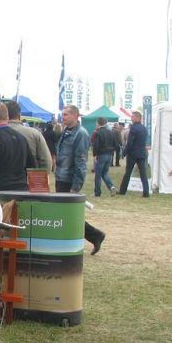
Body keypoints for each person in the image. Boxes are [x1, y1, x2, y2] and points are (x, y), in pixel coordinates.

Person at [56, 104, 105, 255]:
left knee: (67, 214)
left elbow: (81, 162)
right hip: (61, 176)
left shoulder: (81, 134)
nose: (63, 117)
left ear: (75, 116)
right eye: (62, 114)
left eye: (66, 115)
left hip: (69, 179)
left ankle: (95, 235)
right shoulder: (66, 131)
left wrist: (76, 186)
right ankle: (95, 235)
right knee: (63, 214)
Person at [0, 102, 35, 192]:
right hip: (22, 190)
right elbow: (32, 166)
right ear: (7, 117)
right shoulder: (21, 138)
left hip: (2, 191)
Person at [6, 100, 52, 171]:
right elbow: (46, 160)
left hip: (4, 179)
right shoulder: (34, 133)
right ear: (19, 115)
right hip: (29, 178)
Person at [118, 110, 150, 197]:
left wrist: (124, 153)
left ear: (137, 117)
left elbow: (130, 143)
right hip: (142, 153)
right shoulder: (144, 128)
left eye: (132, 117)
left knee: (128, 173)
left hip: (133, 154)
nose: (131, 118)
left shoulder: (133, 128)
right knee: (143, 174)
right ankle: (146, 192)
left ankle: (122, 191)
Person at [92, 117, 117, 197]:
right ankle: (111, 187)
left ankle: (97, 193)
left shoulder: (98, 133)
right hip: (109, 155)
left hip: (101, 154)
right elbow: (116, 144)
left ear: (98, 123)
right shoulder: (111, 132)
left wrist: (95, 155)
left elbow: (96, 145)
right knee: (104, 173)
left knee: (98, 174)